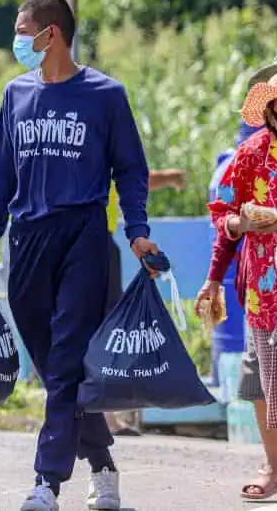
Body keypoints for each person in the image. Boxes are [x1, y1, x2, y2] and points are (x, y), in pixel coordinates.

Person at [0, 0, 160, 511]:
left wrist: (137, 229)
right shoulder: (15, 94)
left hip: (84, 236)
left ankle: (46, 482)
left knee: (68, 358)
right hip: (27, 240)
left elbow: (130, 169)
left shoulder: (105, 95)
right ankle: (104, 463)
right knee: (52, 365)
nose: (18, 40)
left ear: (53, 34)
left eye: (24, 30)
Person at [198, 64, 277, 509]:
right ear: (271, 115)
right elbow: (224, 213)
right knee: (272, 389)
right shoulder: (253, 153)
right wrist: (215, 274)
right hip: (266, 291)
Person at [103, 170, 186, 437]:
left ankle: (103, 414)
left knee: (106, 328)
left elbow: (134, 176)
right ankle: (101, 416)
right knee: (102, 328)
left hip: (99, 244)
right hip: (88, 244)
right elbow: (135, 176)